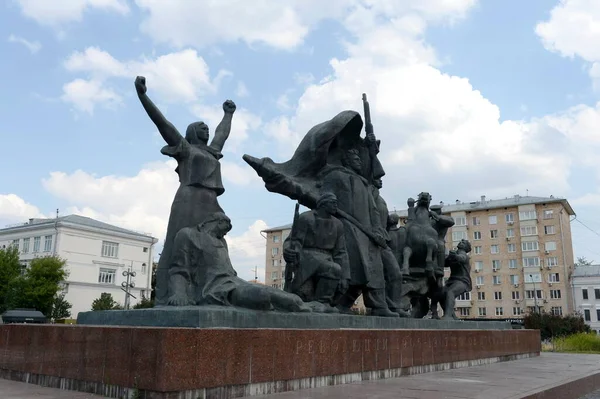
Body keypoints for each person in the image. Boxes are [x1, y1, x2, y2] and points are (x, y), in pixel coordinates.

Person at [134, 76, 236, 306]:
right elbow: (163, 124)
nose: (207, 129)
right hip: (189, 199)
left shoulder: (212, 152)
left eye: (207, 127)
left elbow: (222, 134)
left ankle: (211, 290)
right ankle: (171, 294)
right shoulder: (186, 149)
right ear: (191, 132)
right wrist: (143, 96)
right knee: (178, 243)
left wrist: (228, 114)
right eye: (202, 127)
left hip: (211, 203)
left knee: (214, 244)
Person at [168, 212, 311, 313]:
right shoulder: (187, 235)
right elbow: (179, 269)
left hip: (234, 282)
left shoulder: (221, 241)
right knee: (262, 296)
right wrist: (178, 293)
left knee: (288, 298)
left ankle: (311, 307)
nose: (224, 235)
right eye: (224, 230)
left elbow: (229, 271)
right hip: (215, 290)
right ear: (216, 222)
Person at [321, 149, 397, 317]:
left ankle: (379, 305)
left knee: (375, 268)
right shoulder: (335, 176)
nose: (359, 162)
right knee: (355, 267)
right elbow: (325, 198)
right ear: (347, 160)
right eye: (355, 158)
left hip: (368, 232)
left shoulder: (363, 182)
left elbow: (373, 209)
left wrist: (377, 228)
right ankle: (340, 303)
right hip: (347, 226)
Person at [283, 192, 350, 313]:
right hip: (307, 258)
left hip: (327, 259)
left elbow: (341, 252)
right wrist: (289, 251)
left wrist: (345, 276)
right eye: (333, 203)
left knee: (334, 268)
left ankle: (323, 303)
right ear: (323, 204)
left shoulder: (338, 224)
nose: (336, 206)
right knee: (303, 294)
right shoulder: (306, 218)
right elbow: (294, 240)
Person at [371, 178, 408, 316]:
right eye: (376, 178)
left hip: (382, 240)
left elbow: (385, 222)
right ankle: (380, 307)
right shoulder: (367, 194)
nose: (380, 181)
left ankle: (394, 305)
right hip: (370, 239)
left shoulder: (381, 200)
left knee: (396, 274)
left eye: (381, 179)